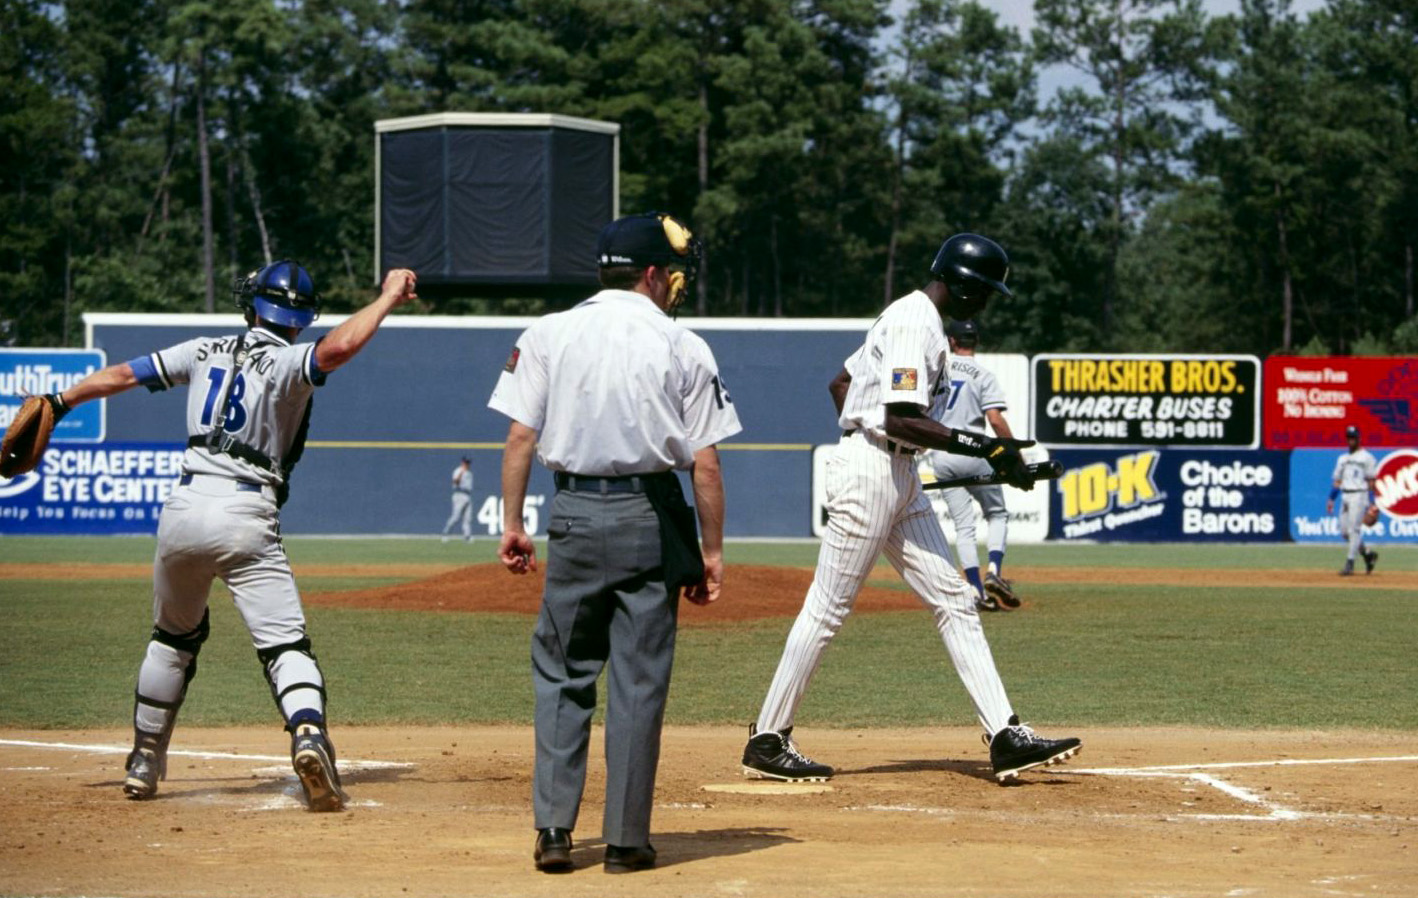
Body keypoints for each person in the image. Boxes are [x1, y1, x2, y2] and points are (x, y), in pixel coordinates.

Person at [45, 261, 417, 810]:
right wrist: (386, 297)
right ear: (299, 318)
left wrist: (58, 404)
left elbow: (122, 375)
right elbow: (336, 350)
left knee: (171, 638)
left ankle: (145, 758)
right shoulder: (291, 360)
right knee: (284, 645)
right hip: (246, 510)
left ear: (253, 305)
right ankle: (309, 735)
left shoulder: (202, 350)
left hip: (184, 506)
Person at [742, 233, 1080, 785]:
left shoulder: (922, 325)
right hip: (874, 468)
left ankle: (1003, 734)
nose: (988, 302)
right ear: (966, 287)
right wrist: (978, 446)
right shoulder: (913, 321)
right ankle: (768, 737)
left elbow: (843, 382)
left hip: (895, 472)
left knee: (953, 598)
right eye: (987, 291)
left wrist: (883, 436)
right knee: (828, 608)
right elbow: (899, 417)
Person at [488, 212, 741, 873]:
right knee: (638, 682)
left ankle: (553, 833)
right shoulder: (680, 343)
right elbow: (704, 464)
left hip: (572, 511)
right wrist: (711, 553)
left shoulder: (549, 332)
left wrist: (514, 523)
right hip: (647, 519)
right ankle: (627, 841)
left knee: (564, 675)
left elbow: (520, 437)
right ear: (653, 274)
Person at [926, 318, 1019, 612]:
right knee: (997, 512)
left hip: (942, 454)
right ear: (974, 342)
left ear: (952, 341)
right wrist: (1013, 452)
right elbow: (994, 419)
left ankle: (977, 591)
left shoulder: (937, 371)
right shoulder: (983, 374)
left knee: (964, 527)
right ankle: (994, 570)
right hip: (975, 452)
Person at [1327, 424, 1379, 576]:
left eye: (1353, 437)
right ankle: (1368, 554)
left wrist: (1372, 502)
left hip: (1359, 494)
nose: (1351, 439)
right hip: (1345, 495)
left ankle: (1350, 563)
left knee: (1354, 530)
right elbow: (1337, 481)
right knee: (1345, 532)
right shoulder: (1342, 458)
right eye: (1349, 437)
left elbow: (1371, 481)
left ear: (1359, 438)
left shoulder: (1367, 457)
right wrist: (1331, 499)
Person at [441, 456, 474, 542]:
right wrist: (461, 473)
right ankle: (446, 533)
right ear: (462, 462)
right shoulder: (458, 471)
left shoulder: (469, 473)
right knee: (455, 517)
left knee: (467, 518)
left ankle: (467, 537)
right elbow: (455, 481)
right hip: (459, 494)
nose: (467, 464)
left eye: (468, 462)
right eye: (466, 462)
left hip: (467, 495)